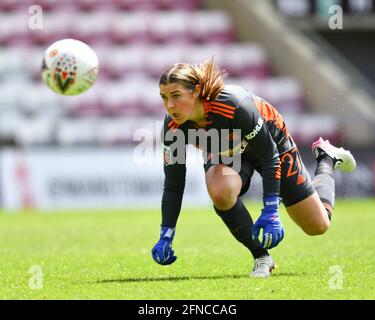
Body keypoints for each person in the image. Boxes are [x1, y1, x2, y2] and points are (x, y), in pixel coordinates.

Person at [151, 59, 356, 277]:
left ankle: (326, 159)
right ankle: (261, 257)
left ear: (197, 91)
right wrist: (166, 232)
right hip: (227, 153)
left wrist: (271, 210)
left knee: (318, 226)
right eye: (164, 97)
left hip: (272, 146)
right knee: (219, 191)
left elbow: (269, 156)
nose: (169, 105)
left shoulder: (234, 105)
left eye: (176, 96)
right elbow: (174, 184)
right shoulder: (173, 127)